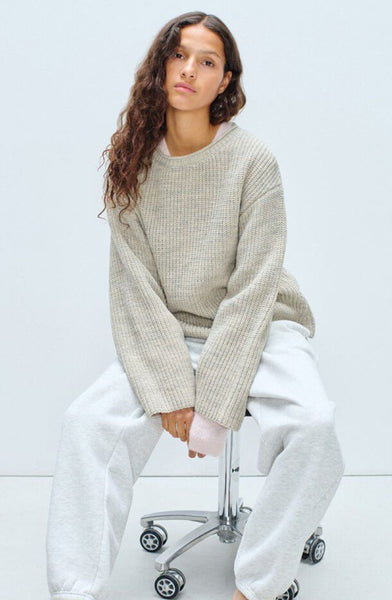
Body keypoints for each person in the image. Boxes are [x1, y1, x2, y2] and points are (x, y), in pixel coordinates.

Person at [46, 11, 345, 600]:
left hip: (262, 325)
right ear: (160, 67)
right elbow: (136, 293)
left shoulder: (254, 162)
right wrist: (170, 390)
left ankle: (257, 584)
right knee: (86, 423)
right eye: (179, 55)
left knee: (315, 428)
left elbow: (254, 286)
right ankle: (73, 590)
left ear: (224, 80)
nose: (189, 70)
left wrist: (213, 401)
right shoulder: (130, 166)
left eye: (206, 61)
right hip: (169, 332)